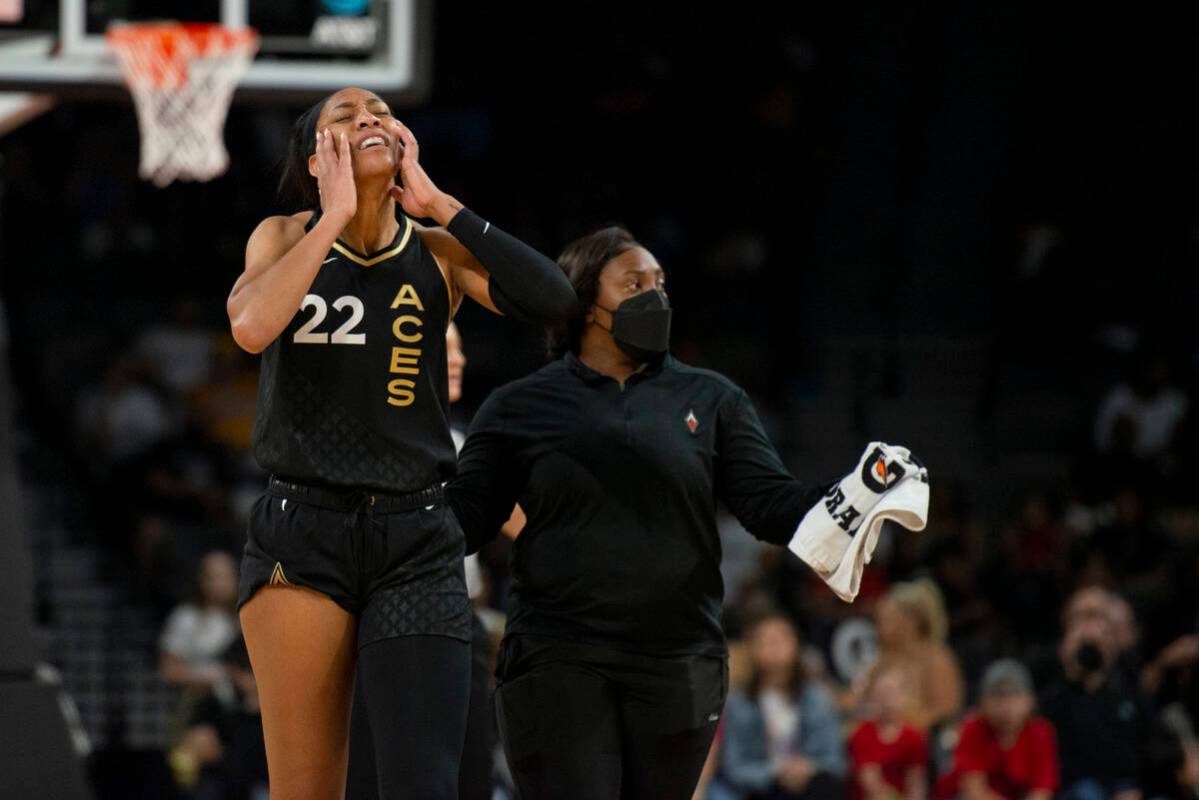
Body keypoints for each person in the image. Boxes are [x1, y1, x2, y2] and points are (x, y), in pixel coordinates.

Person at [448, 226, 924, 799]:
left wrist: (851, 495)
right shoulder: (517, 407)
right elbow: (466, 521)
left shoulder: (713, 398)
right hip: (557, 656)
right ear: (583, 304)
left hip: (677, 661)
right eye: (634, 283)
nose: (656, 297)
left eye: (660, 284)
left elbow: (768, 504)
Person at [226, 87, 576, 800]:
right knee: (309, 789)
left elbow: (555, 301)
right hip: (303, 530)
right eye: (345, 116)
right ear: (315, 154)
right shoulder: (284, 237)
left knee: (424, 783)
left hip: (414, 537)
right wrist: (332, 216)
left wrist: (443, 204)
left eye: (381, 111)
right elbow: (252, 327)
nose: (369, 120)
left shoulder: (438, 252)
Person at [345, 321, 499, 799]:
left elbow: (520, 521)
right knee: (380, 772)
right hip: (382, 616)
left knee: (471, 764)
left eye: (459, 349)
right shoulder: (366, 435)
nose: (458, 360)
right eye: (444, 348)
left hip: (458, 615)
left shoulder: (466, 442)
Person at [709, 614, 847, 800]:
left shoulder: (818, 698)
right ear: (753, 649)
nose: (774, 647)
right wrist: (776, 772)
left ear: (796, 644)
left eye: (781, 638)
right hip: (760, 789)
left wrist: (808, 768)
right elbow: (734, 767)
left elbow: (835, 761)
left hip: (809, 786)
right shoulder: (739, 703)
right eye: (766, 641)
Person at [846, 579, 963, 732]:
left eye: (886, 619)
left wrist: (903, 725)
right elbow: (855, 699)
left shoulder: (936, 659)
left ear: (910, 622)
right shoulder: (882, 660)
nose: (878, 627)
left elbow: (945, 712)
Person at [939, 659, 1058, 800]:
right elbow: (974, 790)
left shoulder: (1040, 732)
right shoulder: (973, 728)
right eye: (997, 699)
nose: (1006, 708)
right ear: (982, 702)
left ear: (1030, 700)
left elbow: (1042, 789)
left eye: (1015, 698)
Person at [847, 664, 928, 800]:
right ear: (874, 697)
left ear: (905, 696)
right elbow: (871, 784)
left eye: (894, 693)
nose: (889, 701)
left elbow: (916, 782)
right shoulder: (862, 735)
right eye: (883, 694)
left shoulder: (915, 737)